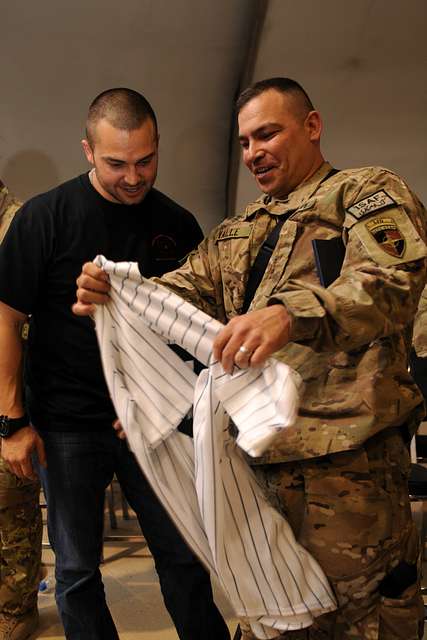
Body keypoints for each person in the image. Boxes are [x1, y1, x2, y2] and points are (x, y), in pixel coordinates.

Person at [74, 77, 427, 640]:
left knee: (361, 618)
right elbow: (178, 293)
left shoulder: (362, 194)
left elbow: (391, 280)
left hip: (348, 474)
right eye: (244, 142)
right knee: (275, 616)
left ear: (312, 127)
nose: (254, 152)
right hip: (255, 471)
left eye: (268, 133)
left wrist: (290, 313)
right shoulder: (238, 231)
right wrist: (115, 291)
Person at [0, 88, 230, 640]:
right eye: (116, 163)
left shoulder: (178, 224)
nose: (133, 176)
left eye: (146, 161)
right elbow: (6, 320)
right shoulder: (43, 218)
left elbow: (196, 332)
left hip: (154, 422)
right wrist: (13, 422)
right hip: (68, 423)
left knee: (183, 559)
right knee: (77, 571)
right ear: (87, 151)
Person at [0, 180, 41, 640]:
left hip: (13, 391)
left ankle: (17, 606)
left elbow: (31, 320)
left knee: (11, 503)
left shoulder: (22, 222)